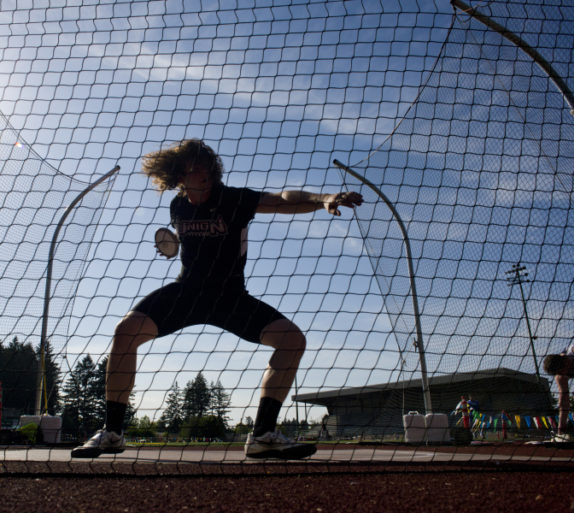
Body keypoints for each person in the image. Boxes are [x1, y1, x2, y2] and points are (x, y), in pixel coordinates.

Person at [71, 139, 362, 459]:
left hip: (229, 297)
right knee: (125, 332)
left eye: (205, 164)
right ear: (179, 176)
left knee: (292, 340)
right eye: (192, 167)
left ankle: (263, 434)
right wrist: (171, 246)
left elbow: (281, 198)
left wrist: (323, 199)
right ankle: (112, 433)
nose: (202, 171)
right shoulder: (177, 206)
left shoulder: (233, 199)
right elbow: (186, 244)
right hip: (187, 293)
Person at [542, 343, 574, 441]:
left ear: (565, 361)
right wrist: (561, 427)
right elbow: (564, 402)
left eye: (562, 371)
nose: (564, 374)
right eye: (560, 373)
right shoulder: (560, 376)